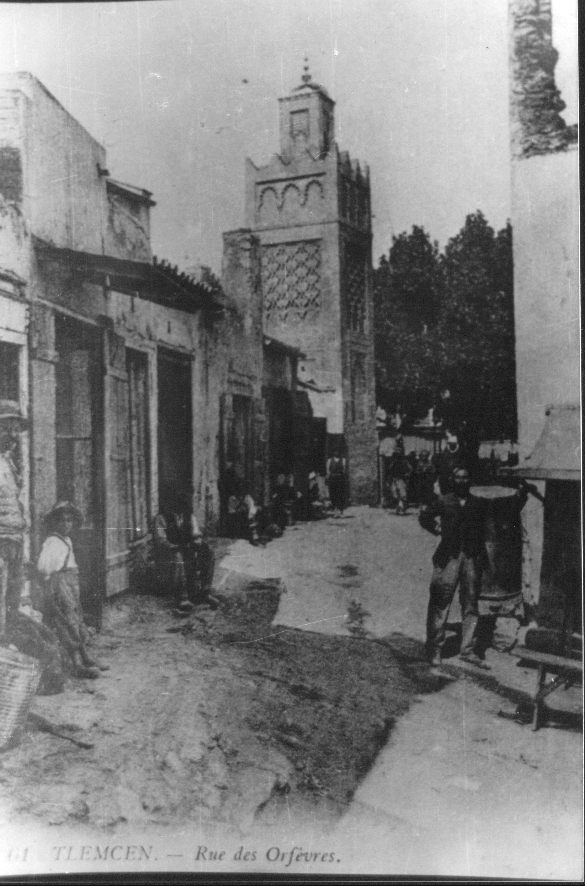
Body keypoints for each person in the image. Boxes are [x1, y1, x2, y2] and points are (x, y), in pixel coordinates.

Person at [419, 468, 491, 670]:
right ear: (453, 480)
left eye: (465, 477)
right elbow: (424, 517)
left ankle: (467, 650)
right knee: (440, 602)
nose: (462, 480)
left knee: (470, 604)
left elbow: (487, 526)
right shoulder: (444, 501)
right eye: (458, 477)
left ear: (470, 480)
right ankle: (434, 648)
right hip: (448, 557)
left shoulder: (477, 503)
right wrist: (438, 529)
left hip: (470, 558)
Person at [37, 501, 107, 679]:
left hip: (71, 584)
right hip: (60, 585)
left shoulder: (66, 540)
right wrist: (55, 581)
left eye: (69, 521)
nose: (66, 524)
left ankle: (86, 657)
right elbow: (44, 568)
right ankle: (76, 664)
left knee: (77, 618)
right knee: (67, 622)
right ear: (54, 523)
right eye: (62, 521)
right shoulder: (52, 541)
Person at [152, 491, 216, 614]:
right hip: (167, 560)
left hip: (186, 555)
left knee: (208, 551)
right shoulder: (160, 519)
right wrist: (178, 547)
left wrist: (198, 543)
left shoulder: (189, 517)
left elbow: (196, 535)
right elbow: (162, 543)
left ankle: (205, 592)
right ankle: (182, 598)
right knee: (177, 556)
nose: (178, 505)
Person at [0, 401, 28, 636]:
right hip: (0, 543)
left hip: (14, 540)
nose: (12, 435)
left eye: (15, 429)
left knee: (13, 598)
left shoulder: (7, 462)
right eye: (5, 427)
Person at [385, 437, 412, 515]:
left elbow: (410, 469)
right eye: (395, 455)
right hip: (394, 479)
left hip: (401, 479)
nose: (396, 456)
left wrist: (407, 476)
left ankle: (402, 508)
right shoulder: (392, 463)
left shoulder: (404, 462)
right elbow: (389, 472)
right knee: (395, 494)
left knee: (402, 494)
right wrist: (388, 480)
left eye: (397, 455)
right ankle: (399, 507)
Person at [326, 448, 347, 517]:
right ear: (333, 452)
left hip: (340, 479)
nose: (336, 452)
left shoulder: (343, 460)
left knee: (340, 494)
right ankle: (335, 511)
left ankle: (341, 511)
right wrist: (329, 478)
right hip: (333, 479)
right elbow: (328, 471)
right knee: (333, 495)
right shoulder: (329, 460)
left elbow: (344, 470)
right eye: (335, 451)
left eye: (337, 451)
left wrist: (342, 477)